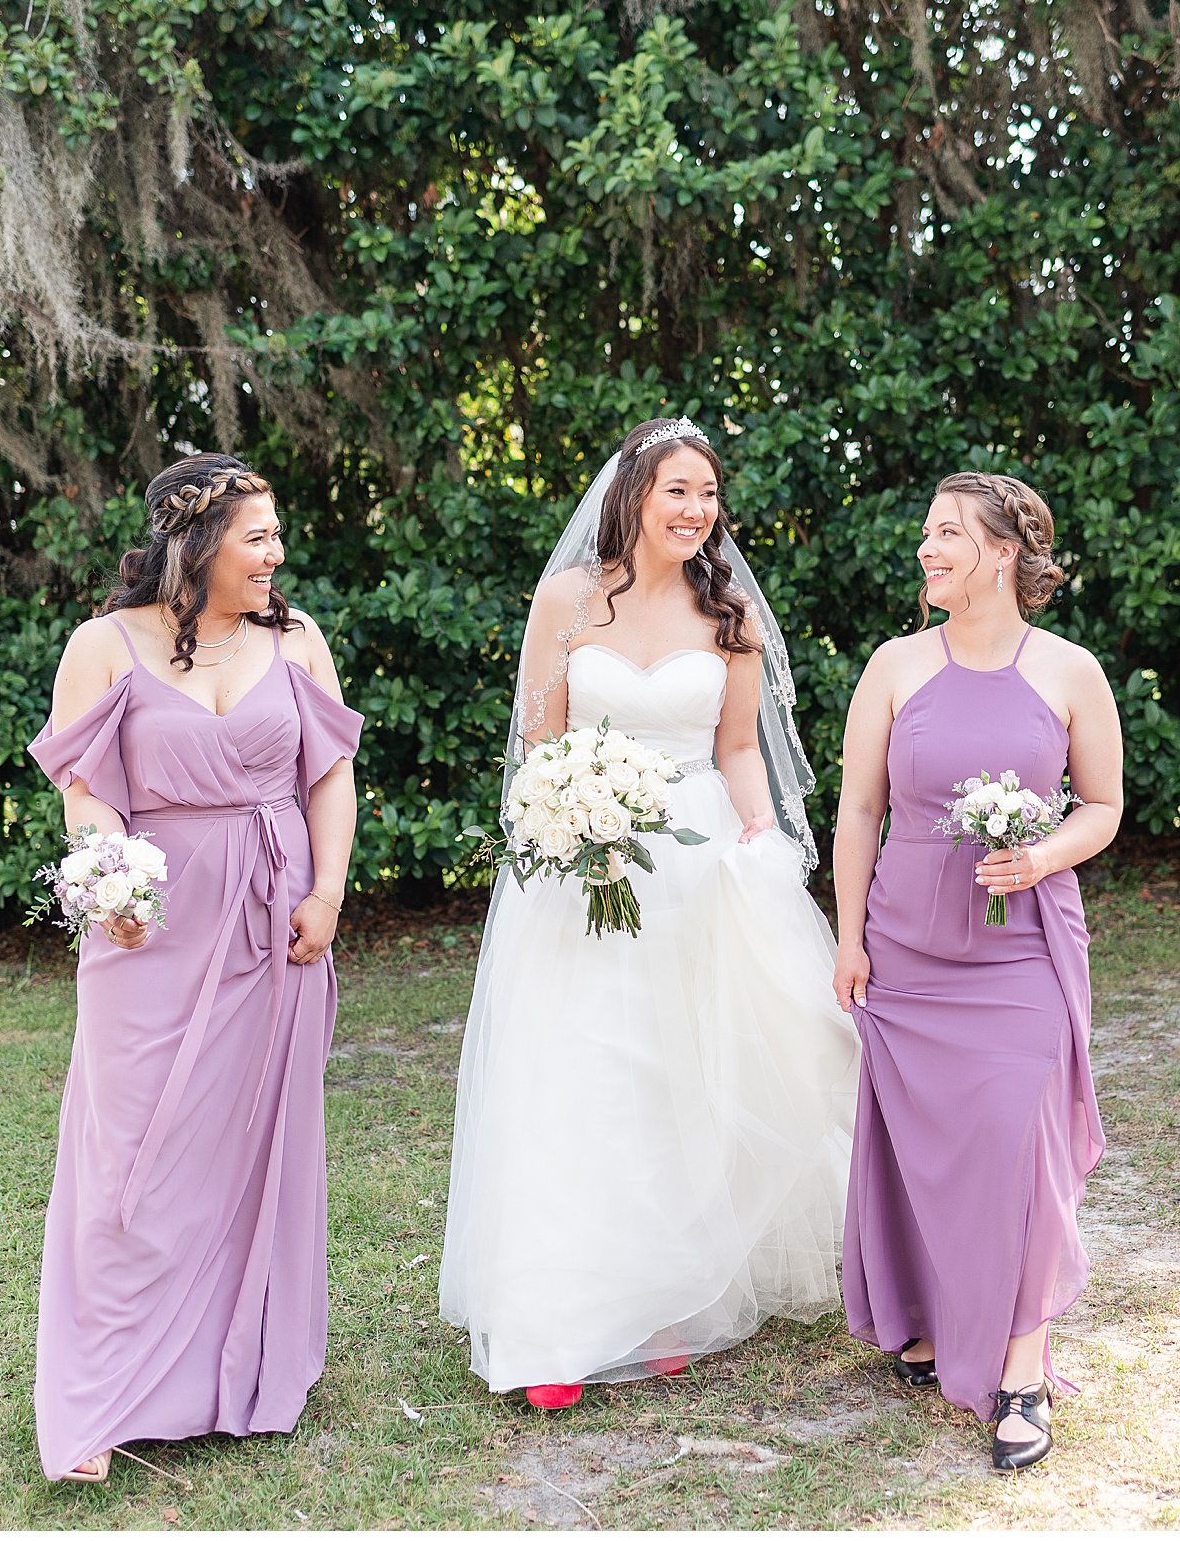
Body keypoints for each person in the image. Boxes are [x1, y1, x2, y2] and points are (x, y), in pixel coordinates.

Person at [439, 417, 860, 1409]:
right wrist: (560, 821)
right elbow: (539, 736)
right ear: (633, 496)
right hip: (581, 860)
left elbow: (740, 748)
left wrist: (760, 838)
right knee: (579, 1070)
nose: (698, 509)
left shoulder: (730, 613)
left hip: (694, 856)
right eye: (679, 489)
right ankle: (556, 1314)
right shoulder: (565, 599)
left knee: (678, 1071)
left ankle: (664, 1294)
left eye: (710, 493)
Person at [26, 454, 362, 1483]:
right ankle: (96, 1396)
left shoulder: (296, 640)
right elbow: (87, 792)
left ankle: (236, 1372)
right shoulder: (102, 645)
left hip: (277, 918)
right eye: (258, 536)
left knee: (251, 1145)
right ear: (198, 541)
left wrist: (331, 888)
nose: (277, 554)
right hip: (152, 927)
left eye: (276, 536)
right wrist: (111, 883)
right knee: (129, 1153)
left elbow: (332, 775)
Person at [832, 471, 1121, 1473]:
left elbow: (1104, 806)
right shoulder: (895, 666)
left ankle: (1023, 1367)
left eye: (947, 532)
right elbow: (859, 809)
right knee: (923, 1136)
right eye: (925, 532)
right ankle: (920, 1315)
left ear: (1003, 550)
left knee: (1020, 1141)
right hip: (907, 947)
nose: (927, 547)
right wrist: (848, 934)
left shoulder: (1071, 670)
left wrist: (1040, 856)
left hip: (1021, 949)